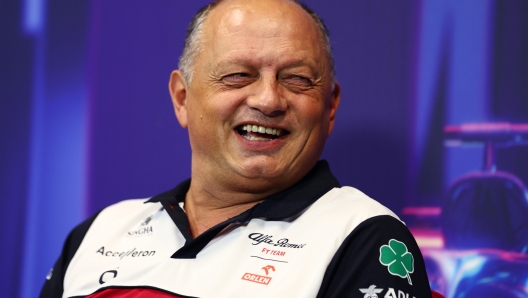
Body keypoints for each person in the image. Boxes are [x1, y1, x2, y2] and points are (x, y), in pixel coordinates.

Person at [41, 0, 432, 297]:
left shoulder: (363, 237)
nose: (268, 100)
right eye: (238, 76)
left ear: (330, 106)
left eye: (296, 79)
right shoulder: (100, 231)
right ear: (182, 98)